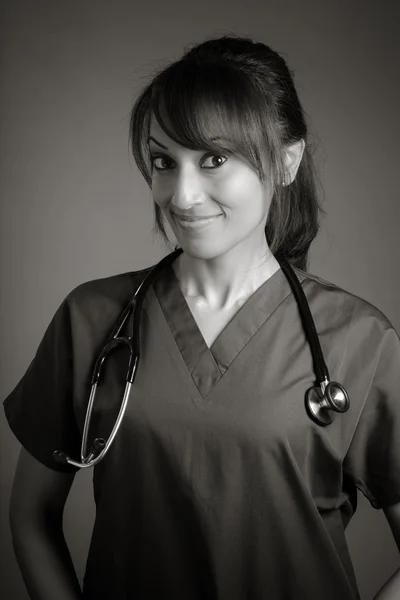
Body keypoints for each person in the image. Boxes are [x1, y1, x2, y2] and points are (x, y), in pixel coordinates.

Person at [3, 34, 400, 600]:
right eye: (165, 162)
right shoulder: (91, 319)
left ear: (286, 161)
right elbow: (30, 518)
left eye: (214, 159)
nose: (182, 195)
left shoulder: (359, 339)